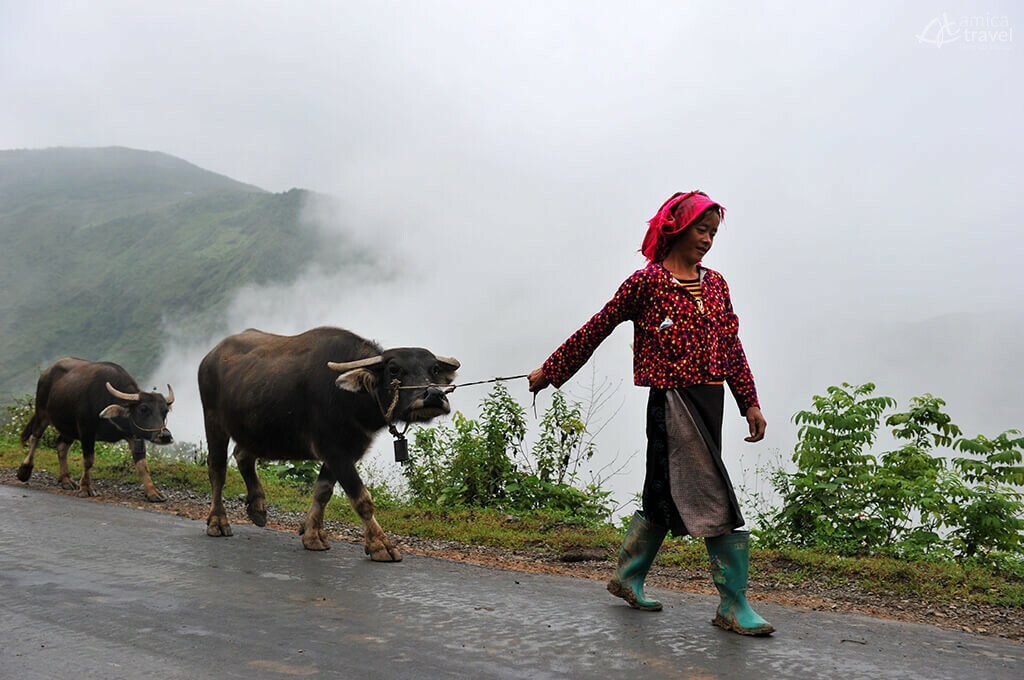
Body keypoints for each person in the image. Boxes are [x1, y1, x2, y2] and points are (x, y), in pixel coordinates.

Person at [528, 190, 773, 636]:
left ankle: (627, 575)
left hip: (710, 399)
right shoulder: (646, 284)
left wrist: (749, 401)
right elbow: (597, 327)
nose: (708, 241)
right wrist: (551, 370)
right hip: (671, 401)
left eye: (714, 233)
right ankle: (733, 603)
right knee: (712, 493)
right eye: (702, 230)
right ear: (676, 227)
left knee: (666, 492)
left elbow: (731, 346)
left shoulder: (716, 284)